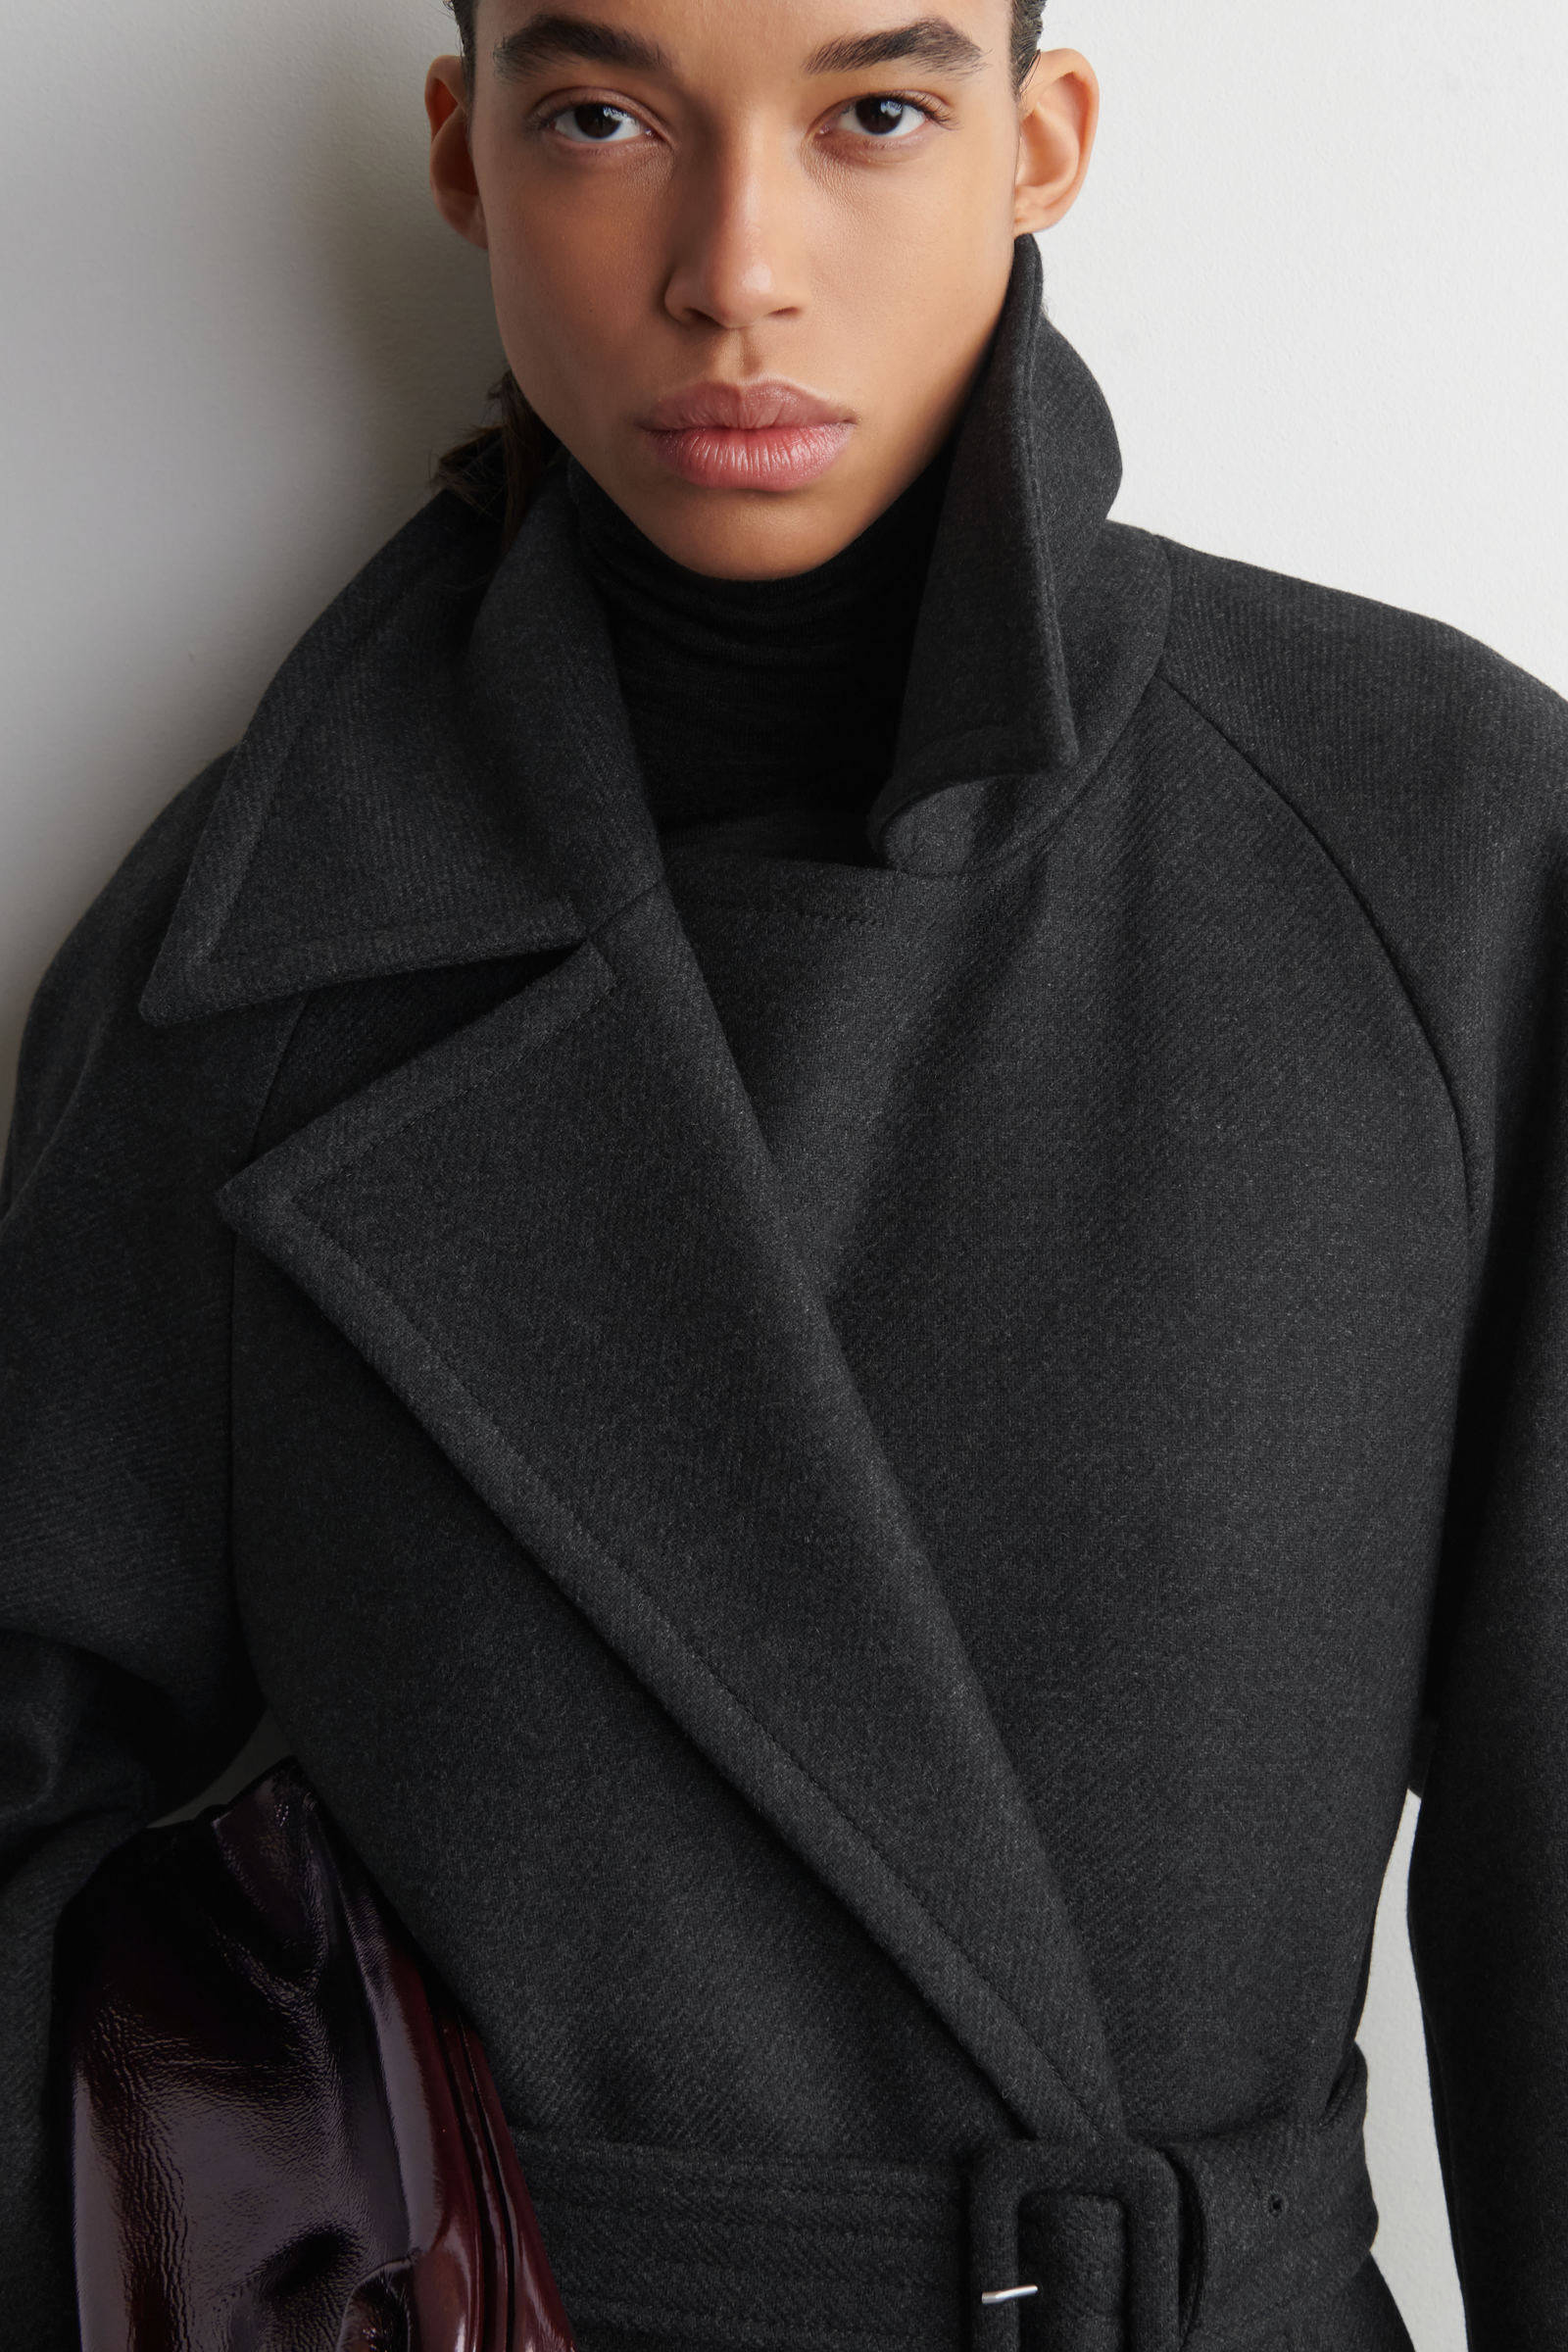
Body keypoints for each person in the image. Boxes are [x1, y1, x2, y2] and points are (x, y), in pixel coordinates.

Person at [2, 1, 1564, 2345]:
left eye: (875, 112)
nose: (735, 267)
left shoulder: (1428, 847)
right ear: (465, 154)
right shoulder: (259, 948)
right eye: (602, 116)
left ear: (1037, 144)